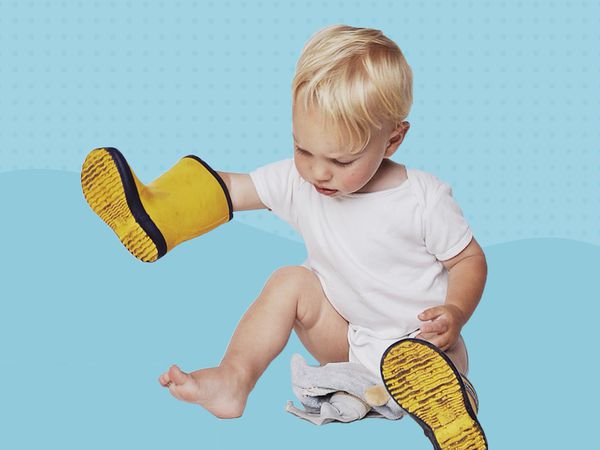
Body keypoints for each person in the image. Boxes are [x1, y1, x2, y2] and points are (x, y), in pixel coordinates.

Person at [81, 24, 487, 448]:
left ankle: (452, 414)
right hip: (349, 341)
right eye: (302, 148)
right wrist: (163, 207)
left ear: (393, 140)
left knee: (446, 358)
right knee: (289, 281)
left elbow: (467, 260)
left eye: (340, 159)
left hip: (422, 344)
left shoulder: (422, 198)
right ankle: (232, 379)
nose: (317, 171)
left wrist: (455, 311)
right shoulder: (304, 181)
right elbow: (232, 190)